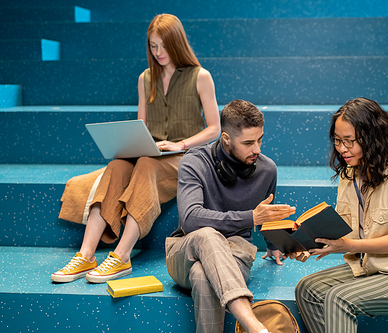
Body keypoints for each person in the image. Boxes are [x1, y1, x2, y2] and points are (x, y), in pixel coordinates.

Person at [51, 14, 220, 283]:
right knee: (117, 166)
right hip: (152, 152)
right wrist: (129, 143)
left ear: (177, 43)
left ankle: (122, 256)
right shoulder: (145, 78)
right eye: (153, 46)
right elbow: (140, 124)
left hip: (185, 156)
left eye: (164, 46)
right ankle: (86, 255)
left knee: (146, 165)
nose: (158, 52)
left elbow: (215, 129)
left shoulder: (200, 77)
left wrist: (180, 144)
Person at [290, 97, 388, 333]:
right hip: (369, 265)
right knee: (306, 288)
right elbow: (342, 229)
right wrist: (306, 242)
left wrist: (347, 245)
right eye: (337, 140)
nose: (342, 149)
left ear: (372, 138)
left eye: (349, 141)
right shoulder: (349, 175)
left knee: (339, 298)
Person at [165, 99, 296, 333]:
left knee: (203, 276)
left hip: (234, 253)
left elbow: (266, 214)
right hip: (185, 251)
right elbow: (191, 219)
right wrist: (251, 218)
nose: (257, 149)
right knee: (207, 234)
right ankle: (253, 325)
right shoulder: (194, 162)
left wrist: (273, 241)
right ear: (226, 138)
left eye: (260, 140)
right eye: (248, 143)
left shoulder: (267, 170)